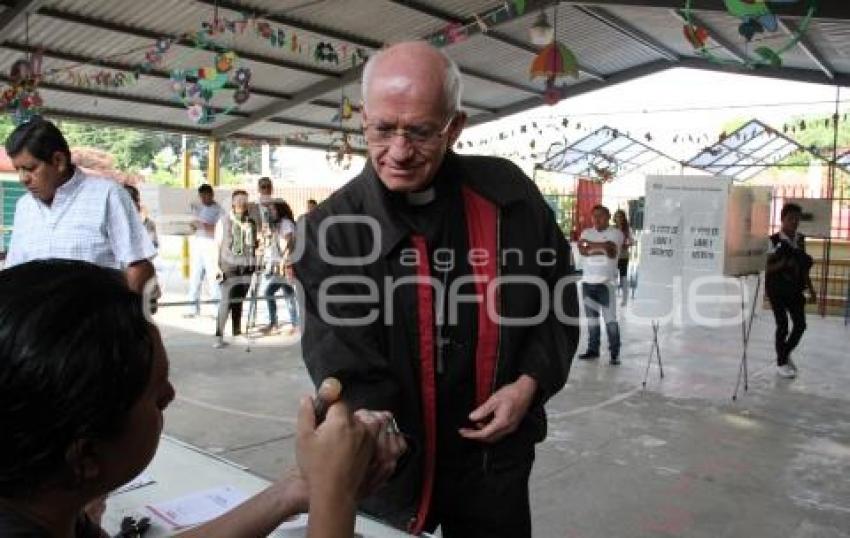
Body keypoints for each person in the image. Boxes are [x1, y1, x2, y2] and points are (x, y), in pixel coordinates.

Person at [294, 41, 578, 537]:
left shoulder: (508, 199)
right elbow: (342, 355)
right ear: (364, 119)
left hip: (494, 464)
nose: (399, 152)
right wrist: (372, 424)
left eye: (421, 132)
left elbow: (559, 302)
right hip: (391, 473)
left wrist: (528, 384)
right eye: (383, 129)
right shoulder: (331, 230)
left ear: (456, 126)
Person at [0, 259, 401, 538]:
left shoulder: (44, 505)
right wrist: (336, 494)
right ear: (84, 458)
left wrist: (294, 491)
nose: (172, 395)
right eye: (156, 398)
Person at [2, 117, 156, 294]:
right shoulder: (24, 206)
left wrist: (129, 314)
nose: (23, 178)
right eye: (18, 170)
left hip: (96, 319)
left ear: (58, 161)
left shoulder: (107, 196)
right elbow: (14, 271)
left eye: (30, 168)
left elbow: (137, 266)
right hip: (38, 320)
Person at [766, 203, 816, 379]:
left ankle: (784, 354)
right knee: (783, 325)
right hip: (777, 289)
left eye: (797, 218)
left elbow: (803, 268)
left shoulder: (800, 239)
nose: (794, 222)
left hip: (795, 289)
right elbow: (765, 267)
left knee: (800, 325)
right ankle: (781, 364)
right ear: (782, 219)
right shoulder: (772, 241)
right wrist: (783, 263)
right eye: (790, 218)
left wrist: (811, 289)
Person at [577, 205, 623, 365]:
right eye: (594, 216)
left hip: (606, 284)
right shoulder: (586, 233)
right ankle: (593, 350)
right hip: (587, 284)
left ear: (608, 216)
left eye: (600, 216)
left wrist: (591, 246)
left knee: (610, 321)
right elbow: (582, 250)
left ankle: (614, 354)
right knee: (592, 321)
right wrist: (602, 247)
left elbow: (611, 251)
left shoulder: (616, 233)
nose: (596, 219)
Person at [214, 190, 257, 349]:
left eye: (244, 200)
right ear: (232, 202)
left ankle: (236, 332)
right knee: (227, 299)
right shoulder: (223, 221)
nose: (241, 203)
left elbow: (253, 244)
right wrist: (216, 267)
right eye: (238, 200)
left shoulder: (251, 222)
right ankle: (219, 335)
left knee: (239, 299)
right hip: (228, 265)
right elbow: (217, 245)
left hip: (246, 266)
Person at [261, 200, 299, 334]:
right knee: (288, 293)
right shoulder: (278, 224)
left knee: (269, 292)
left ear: (280, 210)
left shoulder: (286, 224)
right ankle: (295, 323)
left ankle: (275, 323)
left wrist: (284, 260)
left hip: (285, 264)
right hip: (281, 263)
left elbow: (290, 242)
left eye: (273, 210)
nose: (271, 212)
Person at [186, 184, 222, 318]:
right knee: (195, 276)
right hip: (198, 243)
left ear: (211, 194)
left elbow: (220, 229)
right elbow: (193, 227)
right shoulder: (199, 208)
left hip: (211, 244)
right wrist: (193, 225)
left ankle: (216, 308)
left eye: (206, 196)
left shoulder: (218, 210)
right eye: (201, 196)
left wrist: (205, 226)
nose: (203, 199)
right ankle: (192, 307)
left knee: (213, 277)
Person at [612, 209, 633, 307]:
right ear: (614, 218)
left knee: (623, 277)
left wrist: (627, 244)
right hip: (613, 256)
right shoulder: (612, 229)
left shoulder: (628, 229)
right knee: (613, 277)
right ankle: (613, 297)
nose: (619, 218)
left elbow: (632, 241)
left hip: (624, 256)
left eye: (621, 216)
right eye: (617, 216)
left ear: (624, 218)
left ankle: (625, 299)